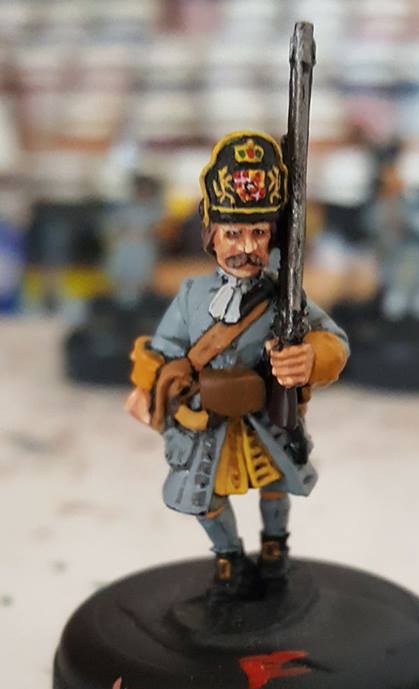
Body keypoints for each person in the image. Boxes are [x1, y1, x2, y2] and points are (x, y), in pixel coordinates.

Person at [126, 131, 348, 599]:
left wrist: (309, 357)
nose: (246, 245)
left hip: (266, 416)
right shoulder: (192, 295)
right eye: (233, 233)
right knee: (202, 497)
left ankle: (274, 546)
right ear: (211, 235)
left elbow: (335, 341)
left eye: (258, 233)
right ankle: (228, 556)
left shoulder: (285, 295)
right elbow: (163, 349)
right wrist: (148, 388)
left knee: (276, 483)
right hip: (205, 420)